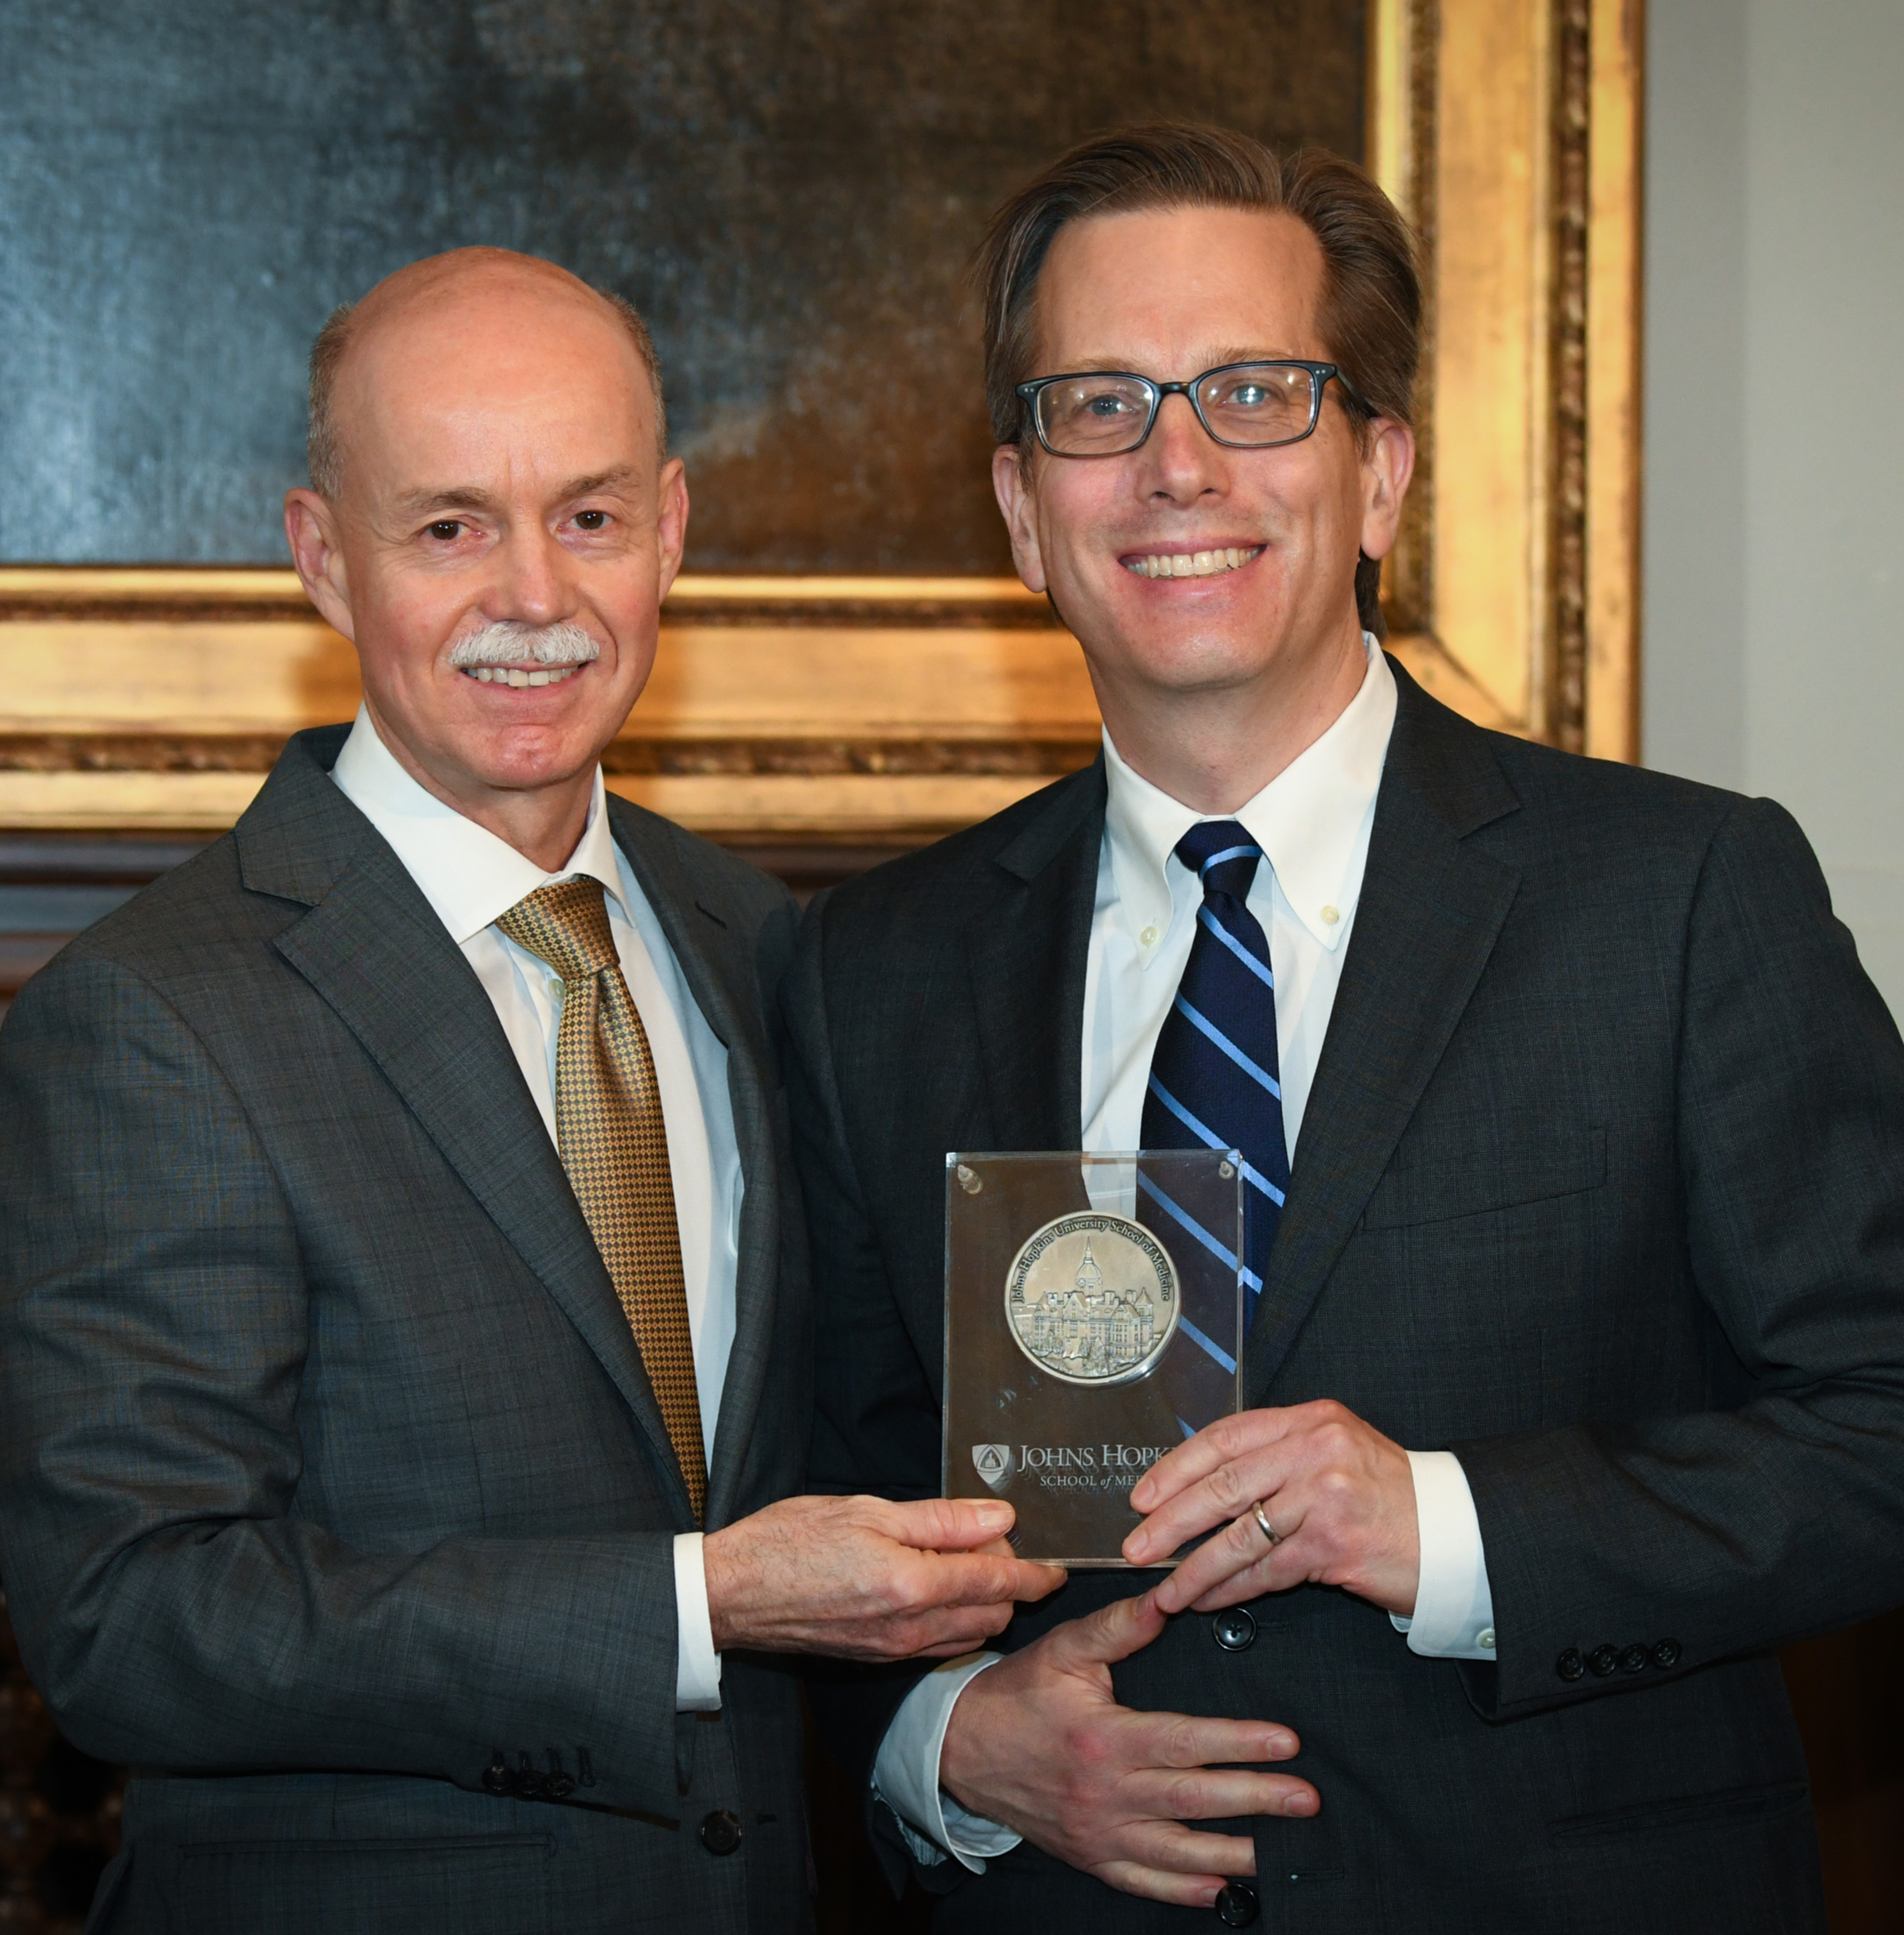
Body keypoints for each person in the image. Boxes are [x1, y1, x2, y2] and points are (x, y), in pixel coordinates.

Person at [783, 126, 1904, 1931]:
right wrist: (943, 1738)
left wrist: (1444, 1526)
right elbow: (818, 1495)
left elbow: (1883, 1423)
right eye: (1098, 406)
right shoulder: (871, 970)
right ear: (1020, 509)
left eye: (1253, 392)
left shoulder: (1680, 897)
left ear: (1378, 473)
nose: (1175, 465)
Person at [0, 246, 1058, 1934]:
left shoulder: (772, 952)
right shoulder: (150, 1019)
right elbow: (137, 1621)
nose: (534, 595)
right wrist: (702, 1606)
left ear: (674, 531)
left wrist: (976, 1720)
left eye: (592, 518)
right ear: (324, 560)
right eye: (449, 526)